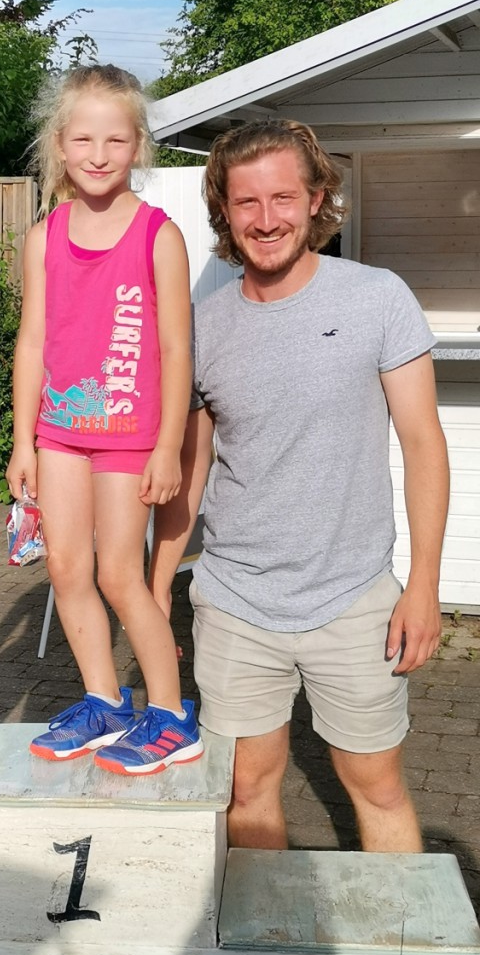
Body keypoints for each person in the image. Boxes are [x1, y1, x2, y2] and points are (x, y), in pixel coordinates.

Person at [150, 119, 449, 850]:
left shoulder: (377, 297)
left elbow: (424, 445)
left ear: (316, 199)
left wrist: (424, 586)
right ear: (224, 211)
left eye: (282, 198)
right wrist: (155, 588)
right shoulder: (200, 328)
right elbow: (189, 470)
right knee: (247, 792)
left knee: (376, 787)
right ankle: (262, 931)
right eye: (246, 202)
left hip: (355, 597)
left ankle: (393, 926)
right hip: (236, 602)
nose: (266, 219)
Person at [6, 65, 203, 775]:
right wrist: (23, 441)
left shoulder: (158, 236)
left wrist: (168, 446)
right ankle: (104, 701)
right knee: (66, 566)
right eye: (83, 139)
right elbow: (33, 341)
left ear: (138, 145)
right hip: (60, 433)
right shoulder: (44, 236)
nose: (98, 154)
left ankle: (172, 714)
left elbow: (178, 348)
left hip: (129, 437)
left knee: (121, 574)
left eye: (115, 140)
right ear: (60, 145)